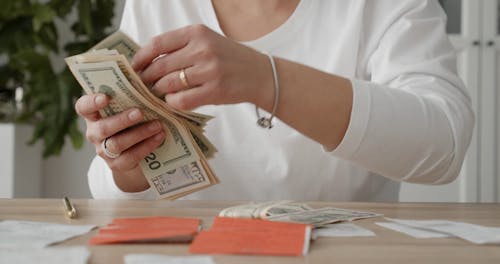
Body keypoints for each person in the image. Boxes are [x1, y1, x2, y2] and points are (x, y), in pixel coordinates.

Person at [75, 0, 474, 201]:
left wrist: (268, 79)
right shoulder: (156, 5)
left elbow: (444, 146)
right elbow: (112, 192)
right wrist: (124, 167)